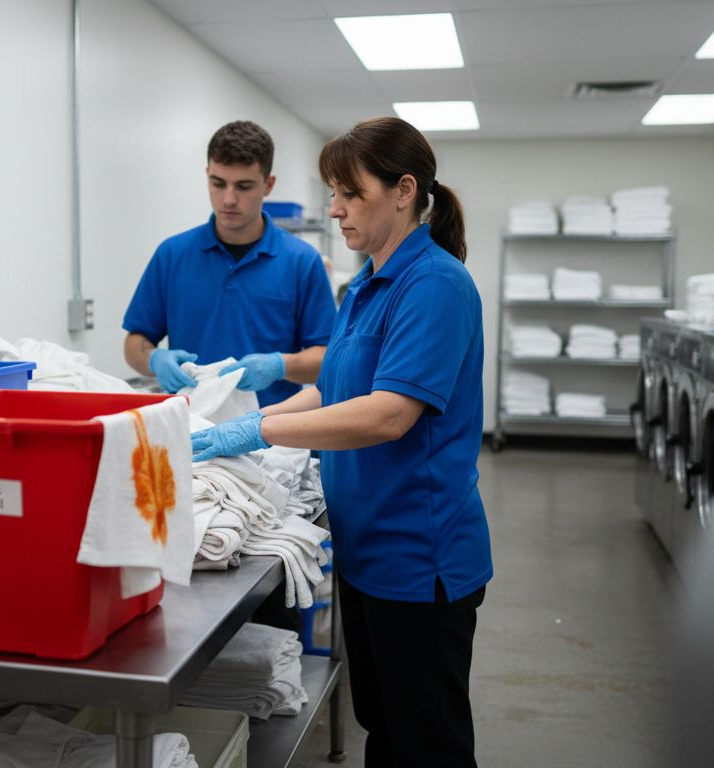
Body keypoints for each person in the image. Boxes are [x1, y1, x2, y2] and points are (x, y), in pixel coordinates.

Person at [190, 117, 492, 768]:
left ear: (404, 190)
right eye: (334, 192)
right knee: (383, 725)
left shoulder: (434, 284)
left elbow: (388, 414)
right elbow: (338, 386)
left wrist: (259, 427)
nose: (334, 208)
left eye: (349, 193)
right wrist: (259, 395)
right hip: (367, 551)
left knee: (427, 743)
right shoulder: (364, 284)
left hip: (419, 558)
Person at [122, 120, 337, 408]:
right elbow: (134, 342)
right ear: (207, 174)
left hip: (272, 434)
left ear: (268, 185)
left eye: (244, 186)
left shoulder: (301, 261)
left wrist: (280, 365)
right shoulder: (172, 254)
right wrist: (153, 358)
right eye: (218, 183)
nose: (229, 199)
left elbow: (329, 358)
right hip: (191, 427)